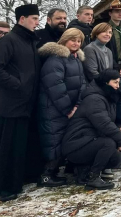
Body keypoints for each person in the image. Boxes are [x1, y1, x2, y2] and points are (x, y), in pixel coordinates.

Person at [0, 4, 41, 202]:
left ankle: (10, 185)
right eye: (34, 18)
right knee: (2, 149)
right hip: (8, 105)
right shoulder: (9, 40)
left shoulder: (28, 41)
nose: (37, 22)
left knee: (15, 148)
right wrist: (17, 85)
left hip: (23, 105)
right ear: (21, 19)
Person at [37, 28, 87, 187]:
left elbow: (83, 84)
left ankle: (59, 170)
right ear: (64, 39)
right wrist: (68, 109)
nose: (76, 43)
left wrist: (78, 104)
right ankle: (47, 175)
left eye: (79, 41)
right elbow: (55, 87)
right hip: (54, 109)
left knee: (64, 139)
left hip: (70, 109)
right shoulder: (55, 59)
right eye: (73, 39)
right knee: (54, 140)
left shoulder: (76, 59)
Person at [61, 69, 121, 190]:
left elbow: (106, 120)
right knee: (109, 144)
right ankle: (93, 177)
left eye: (118, 82)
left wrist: (118, 128)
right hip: (76, 145)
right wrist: (120, 139)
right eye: (115, 82)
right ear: (106, 82)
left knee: (116, 158)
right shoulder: (95, 99)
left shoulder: (106, 96)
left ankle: (83, 171)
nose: (118, 86)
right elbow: (103, 123)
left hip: (88, 141)